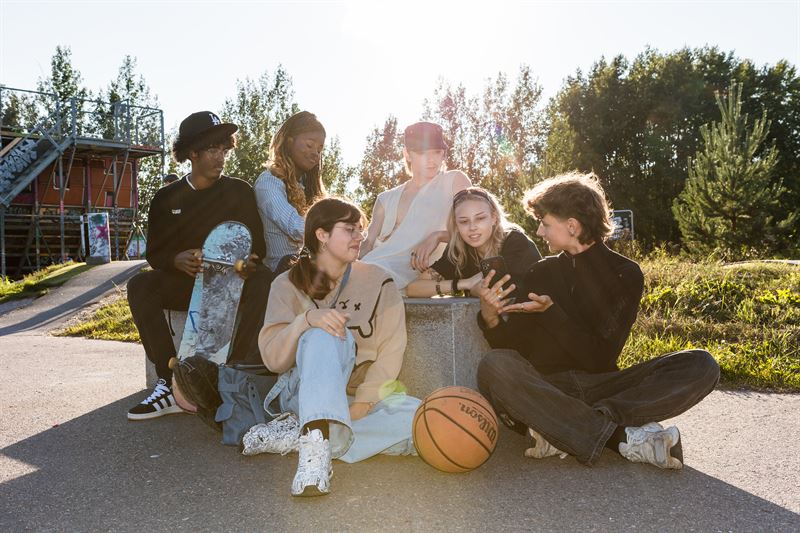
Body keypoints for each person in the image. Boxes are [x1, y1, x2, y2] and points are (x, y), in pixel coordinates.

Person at [475, 172, 720, 469]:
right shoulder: (541, 272)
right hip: (548, 387)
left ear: (572, 226)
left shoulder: (625, 274)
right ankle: (621, 437)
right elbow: (517, 349)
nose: (539, 232)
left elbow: (599, 356)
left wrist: (551, 313)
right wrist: (490, 318)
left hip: (605, 387)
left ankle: (567, 426)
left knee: (701, 364)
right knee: (494, 365)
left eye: (545, 223)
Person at [250, 197, 419, 497]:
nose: (359, 237)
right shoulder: (285, 285)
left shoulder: (380, 281)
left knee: (422, 418)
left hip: (360, 399)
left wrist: (363, 403)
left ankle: (303, 436)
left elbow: (393, 351)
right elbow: (274, 361)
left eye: (361, 230)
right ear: (322, 235)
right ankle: (315, 454)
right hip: (302, 394)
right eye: (350, 229)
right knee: (324, 334)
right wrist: (306, 320)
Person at [126, 111, 271, 421]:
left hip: (232, 281)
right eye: (213, 150)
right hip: (186, 283)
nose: (221, 157)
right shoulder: (167, 197)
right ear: (192, 152)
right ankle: (169, 382)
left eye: (224, 149)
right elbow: (156, 253)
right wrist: (175, 259)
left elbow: (258, 246)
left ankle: (233, 373)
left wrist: (243, 262)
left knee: (265, 280)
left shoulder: (239, 191)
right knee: (141, 285)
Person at [360, 121, 471, 290]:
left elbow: (474, 229)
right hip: (378, 267)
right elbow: (368, 243)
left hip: (422, 275)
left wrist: (438, 236)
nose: (432, 160)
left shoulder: (455, 181)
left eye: (437, 152)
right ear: (407, 154)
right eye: (422, 153)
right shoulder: (386, 199)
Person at [406, 187, 541, 298]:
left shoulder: (514, 241)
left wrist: (464, 288)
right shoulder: (459, 249)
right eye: (464, 221)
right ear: (456, 225)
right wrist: (465, 284)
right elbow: (414, 289)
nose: (472, 227)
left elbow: (495, 287)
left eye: (480, 218)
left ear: (494, 218)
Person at [253, 111, 326, 272]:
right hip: (280, 272)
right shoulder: (269, 182)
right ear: (289, 142)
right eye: (309, 145)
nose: (315, 153)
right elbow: (294, 225)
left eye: (320, 149)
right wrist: (333, 237)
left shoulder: (308, 187)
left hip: (307, 267)